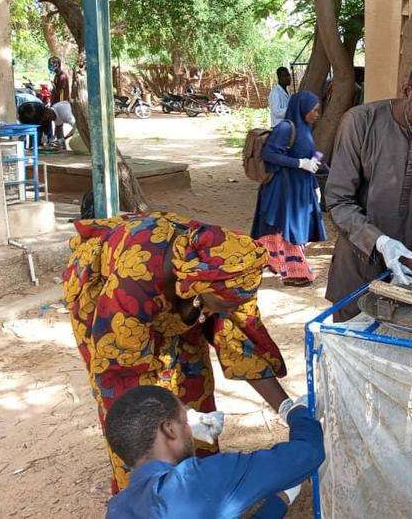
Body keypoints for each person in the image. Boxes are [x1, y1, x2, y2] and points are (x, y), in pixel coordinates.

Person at [63, 211, 291, 493]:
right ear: (199, 290)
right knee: (142, 413)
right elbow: (124, 380)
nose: (233, 311)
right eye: (225, 306)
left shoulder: (227, 275)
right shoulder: (133, 283)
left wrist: (288, 408)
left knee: (193, 382)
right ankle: (146, 495)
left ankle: (199, 482)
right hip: (112, 295)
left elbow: (242, 346)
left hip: (181, 299)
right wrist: (179, 416)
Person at [325, 54, 412, 321]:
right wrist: (381, 242)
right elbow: (339, 201)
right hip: (357, 266)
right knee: (352, 349)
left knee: (401, 352)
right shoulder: (359, 123)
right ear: (407, 91)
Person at [105, 385, 324, 519]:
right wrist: (297, 412)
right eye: (185, 422)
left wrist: (280, 501)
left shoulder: (117, 508)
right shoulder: (197, 480)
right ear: (169, 430)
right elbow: (309, 451)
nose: (191, 432)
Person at [251, 91, 326, 286]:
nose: (317, 114)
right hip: (284, 191)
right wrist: (300, 163)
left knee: (295, 228)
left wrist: (315, 184)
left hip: (301, 189)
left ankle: (275, 261)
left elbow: (308, 157)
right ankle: (295, 273)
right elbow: (270, 155)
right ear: (302, 108)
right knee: (290, 230)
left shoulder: (306, 129)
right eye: (314, 110)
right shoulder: (285, 128)